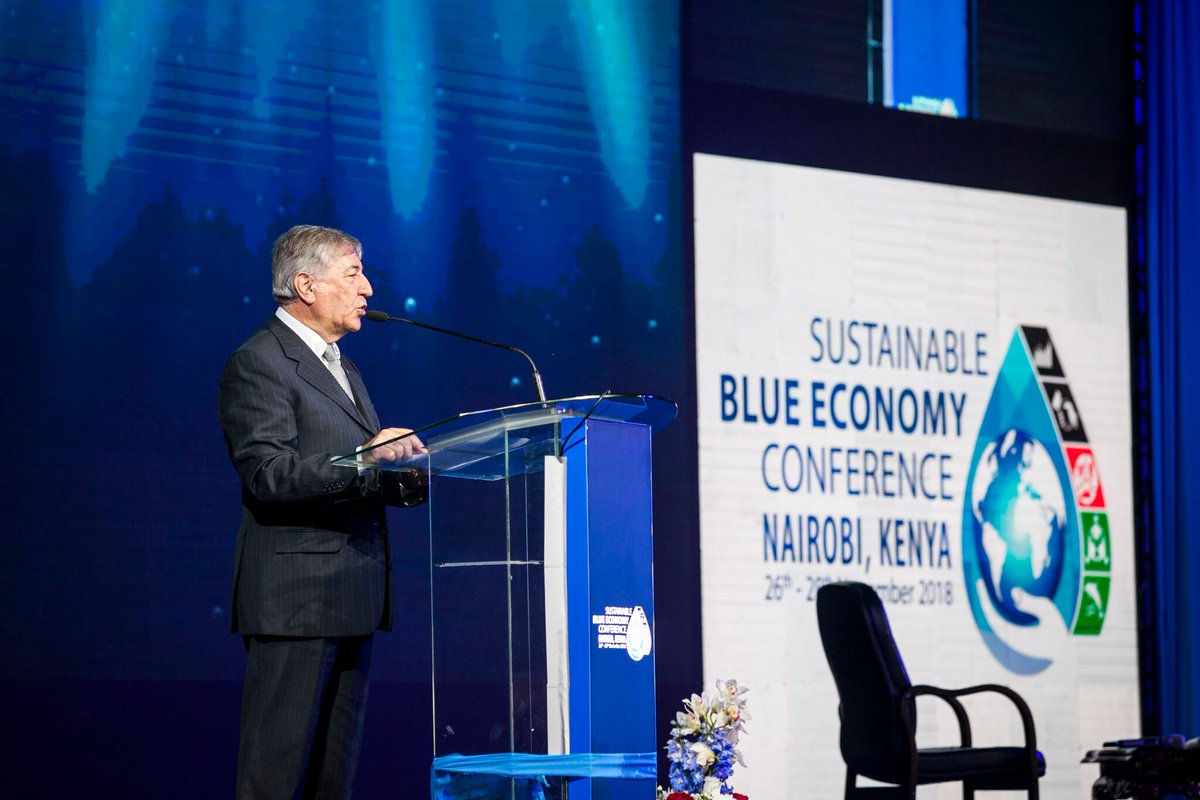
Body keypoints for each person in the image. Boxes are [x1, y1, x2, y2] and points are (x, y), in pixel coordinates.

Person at [218, 224, 427, 799]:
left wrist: (406, 473)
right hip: (295, 601)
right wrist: (366, 458)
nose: (368, 288)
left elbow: (356, 469)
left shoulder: (343, 366)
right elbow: (268, 475)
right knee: (275, 782)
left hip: (352, 595)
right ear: (306, 285)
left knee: (332, 783)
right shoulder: (260, 361)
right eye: (354, 273)